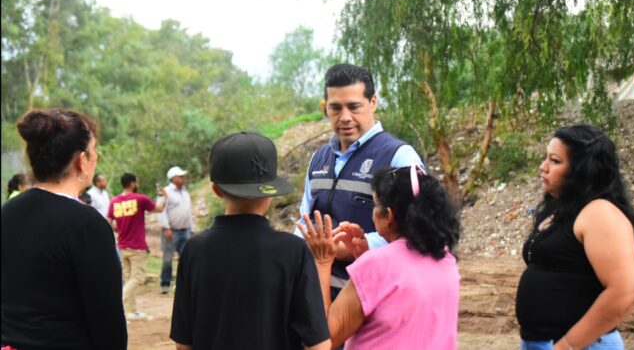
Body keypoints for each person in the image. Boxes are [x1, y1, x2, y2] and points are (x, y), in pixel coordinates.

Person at [170, 132, 330, 350]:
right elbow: (318, 344)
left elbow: (183, 344)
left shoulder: (194, 250)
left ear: (216, 189)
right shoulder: (292, 251)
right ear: (272, 192)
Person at [295, 63, 424, 300]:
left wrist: (357, 247)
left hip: (373, 298)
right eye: (335, 108)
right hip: (318, 295)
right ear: (325, 108)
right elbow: (304, 222)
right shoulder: (318, 159)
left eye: (354, 107)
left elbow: (419, 231)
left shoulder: (399, 157)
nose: (345, 117)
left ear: (373, 102)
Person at [297, 164, 461, 349]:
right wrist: (364, 255)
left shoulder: (376, 265)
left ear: (389, 216)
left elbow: (323, 341)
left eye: (375, 205)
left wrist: (323, 261)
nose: (373, 213)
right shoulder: (446, 260)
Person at [1, 108, 127, 349]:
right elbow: (107, 320)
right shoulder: (86, 225)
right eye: (93, 151)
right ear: (82, 161)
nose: (95, 157)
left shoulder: (7, 213)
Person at [515, 124, 634, 350]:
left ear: (582, 169)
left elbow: (627, 291)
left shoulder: (599, 212)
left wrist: (566, 346)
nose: (543, 167)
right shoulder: (561, 209)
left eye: (555, 161)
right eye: (546, 158)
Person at [108, 172, 168, 320]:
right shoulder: (139, 199)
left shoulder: (114, 201)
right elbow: (159, 209)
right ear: (132, 183)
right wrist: (165, 196)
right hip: (137, 246)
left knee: (129, 279)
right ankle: (120, 299)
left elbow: (108, 221)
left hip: (122, 246)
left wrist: (118, 230)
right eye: (137, 182)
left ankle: (131, 311)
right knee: (138, 278)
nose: (138, 184)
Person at [158, 165, 194, 294]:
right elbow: (161, 211)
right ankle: (165, 284)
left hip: (185, 230)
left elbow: (188, 212)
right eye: (181, 176)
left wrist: (192, 228)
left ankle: (182, 283)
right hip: (171, 231)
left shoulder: (185, 192)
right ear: (173, 178)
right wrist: (166, 227)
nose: (183, 179)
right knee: (168, 259)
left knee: (185, 258)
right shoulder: (165, 192)